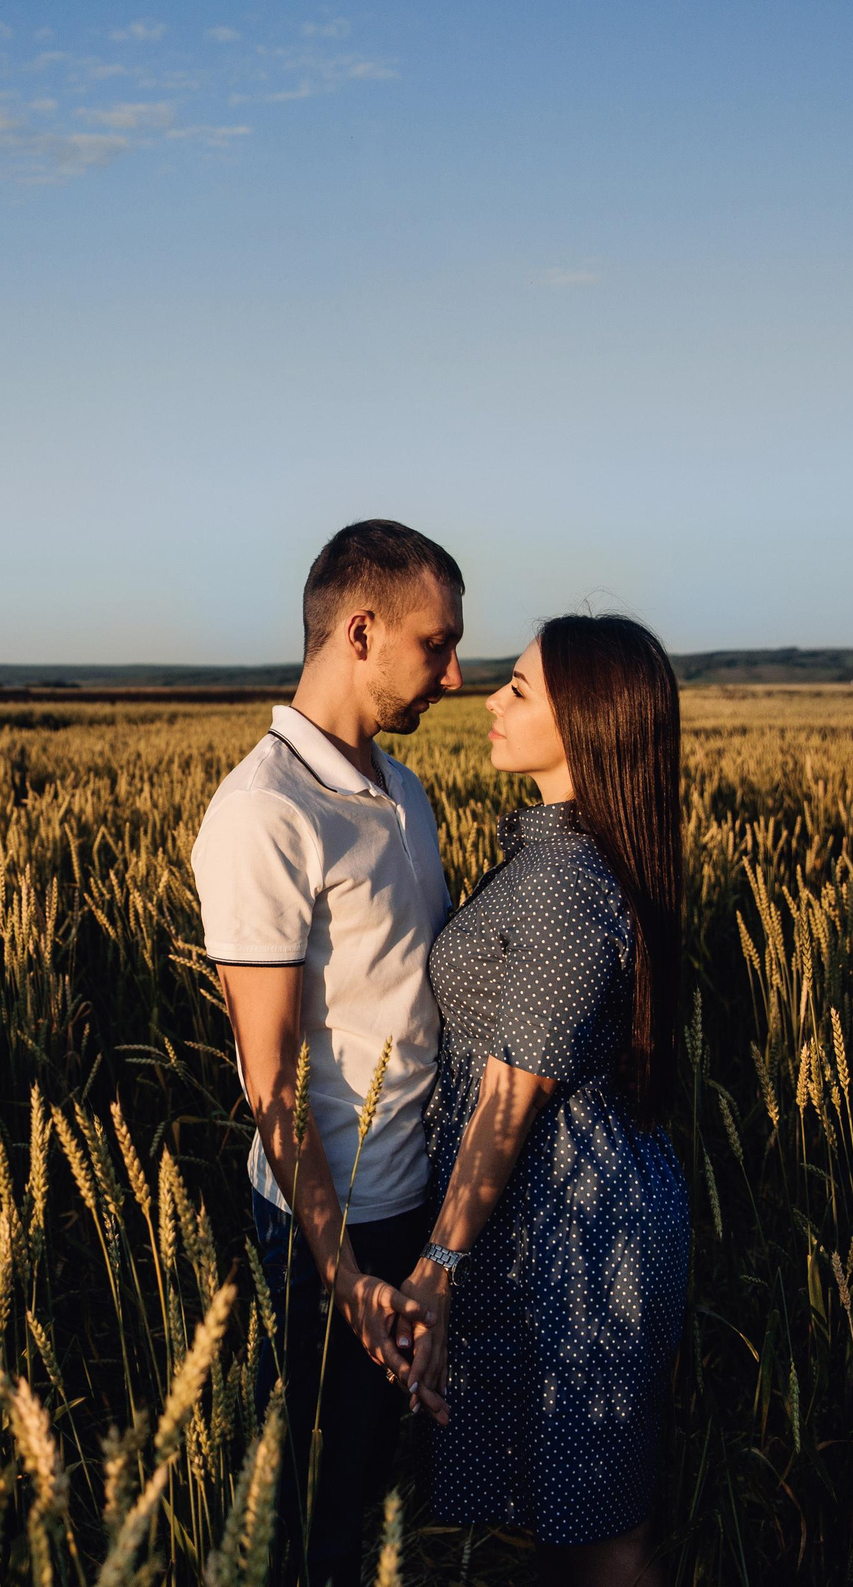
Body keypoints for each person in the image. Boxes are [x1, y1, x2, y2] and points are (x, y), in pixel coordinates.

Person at [190, 519, 467, 1586]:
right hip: (325, 1225)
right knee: (315, 1519)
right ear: (360, 632)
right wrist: (342, 1274)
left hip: (415, 1208)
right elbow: (269, 1080)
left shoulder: (403, 794)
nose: (455, 673)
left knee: (370, 1485)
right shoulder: (264, 814)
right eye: (435, 646)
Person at [397, 614, 690, 1587]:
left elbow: (509, 1098)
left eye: (519, 690)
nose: (489, 698)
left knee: (597, 1532)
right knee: (566, 1517)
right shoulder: (554, 856)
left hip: (582, 1235)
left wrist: (436, 1267)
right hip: (553, 1224)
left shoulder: (563, 881)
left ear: (589, 721)